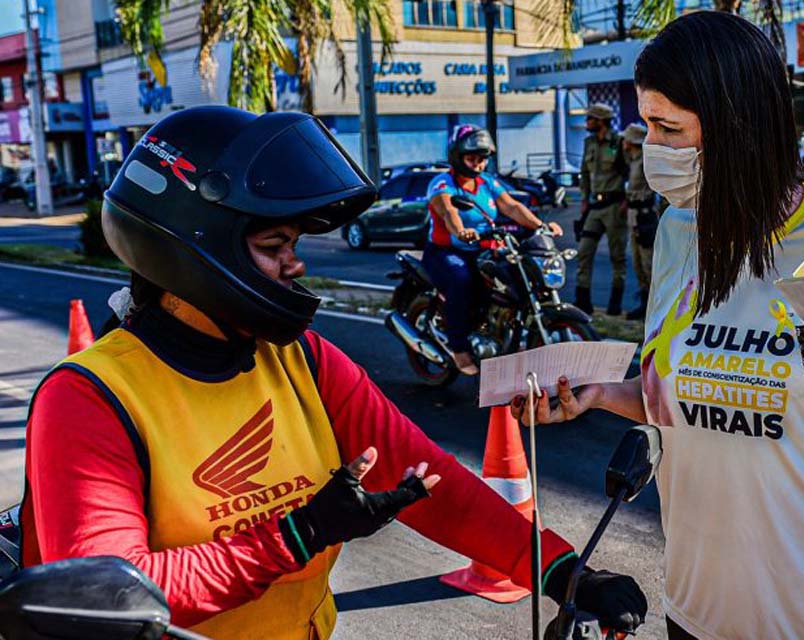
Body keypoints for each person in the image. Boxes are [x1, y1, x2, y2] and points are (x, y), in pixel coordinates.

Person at [19, 107, 645, 640]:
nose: (295, 266)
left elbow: (432, 482)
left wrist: (562, 571)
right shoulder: (91, 398)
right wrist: (299, 534)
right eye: (274, 247)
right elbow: (109, 595)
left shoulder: (303, 360)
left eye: (293, 245)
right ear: (190, 251)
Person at [513, 12, 804, 640]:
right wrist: (597, 395)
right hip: (698, 611)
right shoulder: (678, 231)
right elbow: (677, 398)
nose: (652, 148)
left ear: (739, 127)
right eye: (647, 126)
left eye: (669, 128)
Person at [424, 124, 563, 375]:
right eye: (472, 158)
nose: (478, 164)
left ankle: (501, 328)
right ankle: (459, 348)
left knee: (512, 278)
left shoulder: (487, 182)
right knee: (461, 280)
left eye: (482, 159)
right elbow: (448, 211)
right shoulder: (443, 183)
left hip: (483, 248)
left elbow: (512, 207)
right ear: (457, 156)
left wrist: (541, 226)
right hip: (446, 251)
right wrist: (461, 231)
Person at [575, 102, 628, 316]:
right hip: (594, 207)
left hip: (615, 205)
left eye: (590, 118)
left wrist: (627, 200)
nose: (587, 122)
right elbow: (584, 174)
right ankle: (583, 301)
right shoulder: (589, 143)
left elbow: (632, 171)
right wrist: (584, 200)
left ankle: (615, 304)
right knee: (584, 251)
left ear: (601, 121)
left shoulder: (619, 141)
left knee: (617, 257)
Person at [621, 122, 657, 320]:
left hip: (644, 214)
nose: (623, 142)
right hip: (633, 214)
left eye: (627, 139)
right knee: (637, 262)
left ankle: (655, 307)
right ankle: (645, 303)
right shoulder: (633, 159)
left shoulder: (645, 160)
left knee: (648, 261)